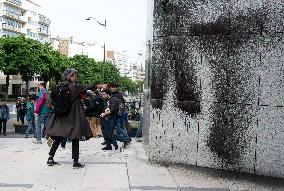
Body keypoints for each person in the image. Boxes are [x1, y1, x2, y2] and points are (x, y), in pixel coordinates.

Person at [46, 68, 105, 168]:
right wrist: (100, 86)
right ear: (70, 76)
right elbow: (87, 87)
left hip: (61, 115)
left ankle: (50, 158)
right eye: (75, 76)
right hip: (72, 115)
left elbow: (49, 100)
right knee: (75, 136)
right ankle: (75, 162)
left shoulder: (59, 86)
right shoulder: (73, 87)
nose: (76, 77)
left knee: (60, 137)